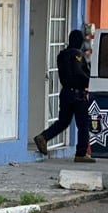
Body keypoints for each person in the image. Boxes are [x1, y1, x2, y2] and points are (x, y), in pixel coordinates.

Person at [34, 29, 95, 163]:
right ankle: (81, 153)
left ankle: (44, 137)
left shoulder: (62, 55)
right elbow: (78, 74)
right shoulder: (77, 55)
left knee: (63, 121)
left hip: (66, 92)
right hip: (78, 94)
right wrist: (91, 80)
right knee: (83, 124)